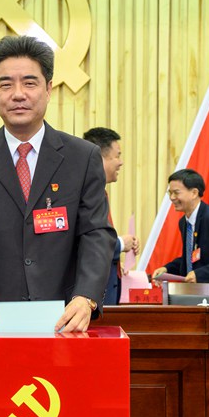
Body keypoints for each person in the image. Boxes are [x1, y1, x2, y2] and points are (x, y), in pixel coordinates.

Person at [0, 35, 116, 333]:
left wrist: (86, 297)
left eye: (30, 83)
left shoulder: (82, 157)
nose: (18, 94)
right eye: (6, 84)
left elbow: (96, 233)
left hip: (65, 320)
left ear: (49, 89)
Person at [152, 169, 209, 283]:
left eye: (176, 193)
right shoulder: (184, 222)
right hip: (202, 290)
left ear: (194, 193)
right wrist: (167, 269)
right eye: (170, 193)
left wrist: (200, 274)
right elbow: (191, 259)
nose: (172, 197)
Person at [83, 127, 140, 304]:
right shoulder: (83, 194)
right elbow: (86, 244)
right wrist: (121, 243)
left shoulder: (101, 193)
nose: (121, 162)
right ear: (99, 158)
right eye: (117, 156)